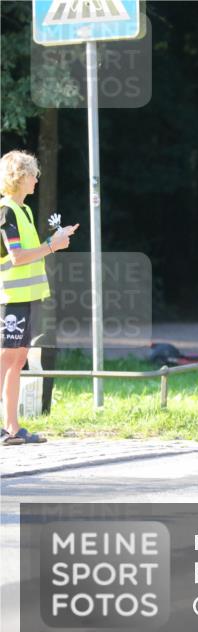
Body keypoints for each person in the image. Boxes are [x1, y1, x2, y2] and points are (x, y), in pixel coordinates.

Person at [1, 150, 78, 445]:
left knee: (17, 360)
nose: (36, 178)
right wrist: (52, 246)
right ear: (19, 177)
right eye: (32, 173)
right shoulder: (6, 210)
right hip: (9, 297)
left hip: (26, 297)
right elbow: (18, 257)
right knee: (7, 360)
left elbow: (33, 250)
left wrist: (52, 242)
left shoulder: (26, 211)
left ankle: (12, 428)